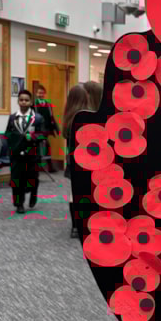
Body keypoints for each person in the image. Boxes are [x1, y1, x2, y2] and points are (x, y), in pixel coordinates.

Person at [5, 87, 44, 214]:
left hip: (32, 154)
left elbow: (43, 134)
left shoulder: (37, 118)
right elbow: (7, 133)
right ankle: (19, 204)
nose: (23, 102)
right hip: (16, 154)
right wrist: (12, 142)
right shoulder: (12, 118)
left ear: (31, 102)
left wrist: (32, 136)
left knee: (32, 178)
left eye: (26, 100)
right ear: (18, 101)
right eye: (21, 100)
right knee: (17, 179)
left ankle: (33, 192)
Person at [62, 83, 90, 237]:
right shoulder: (85, 117)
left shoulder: (67, 118)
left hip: (72, 161)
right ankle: (82, 225)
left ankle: (74, 227)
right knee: (86, 194)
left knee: (74, 193)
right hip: (85, 161)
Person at [33, 82, 60, 173]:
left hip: (47, 129)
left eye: (42, 93)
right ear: (36, 93)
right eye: (39, 93)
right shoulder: (33, 104)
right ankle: (39, 167)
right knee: (38, 147)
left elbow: (51, 117)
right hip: (37, 130)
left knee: (47, 147)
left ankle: (49, 167)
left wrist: (56, 128)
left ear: (45, 94)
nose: (40, 94)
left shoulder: (48, 104)